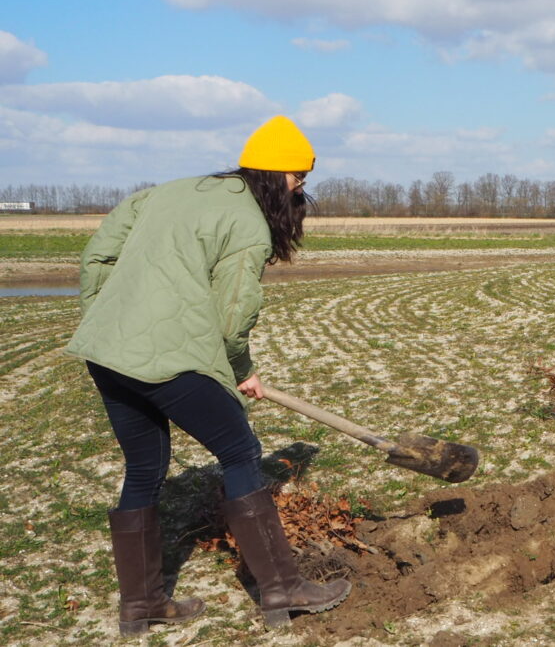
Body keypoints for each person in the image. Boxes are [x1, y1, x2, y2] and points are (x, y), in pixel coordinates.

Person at [65, 116, 350, 635]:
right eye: (297, 179)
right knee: (240, 452)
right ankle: (283, 589)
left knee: (144, 465)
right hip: (169, 357)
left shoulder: (169, 192)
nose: (299, 190)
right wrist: (240, 369)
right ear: (276, 175)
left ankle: (141, 606)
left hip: (106, 350)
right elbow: (234, 312)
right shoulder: (248, 223)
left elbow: (98, 257)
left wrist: (105, 320)